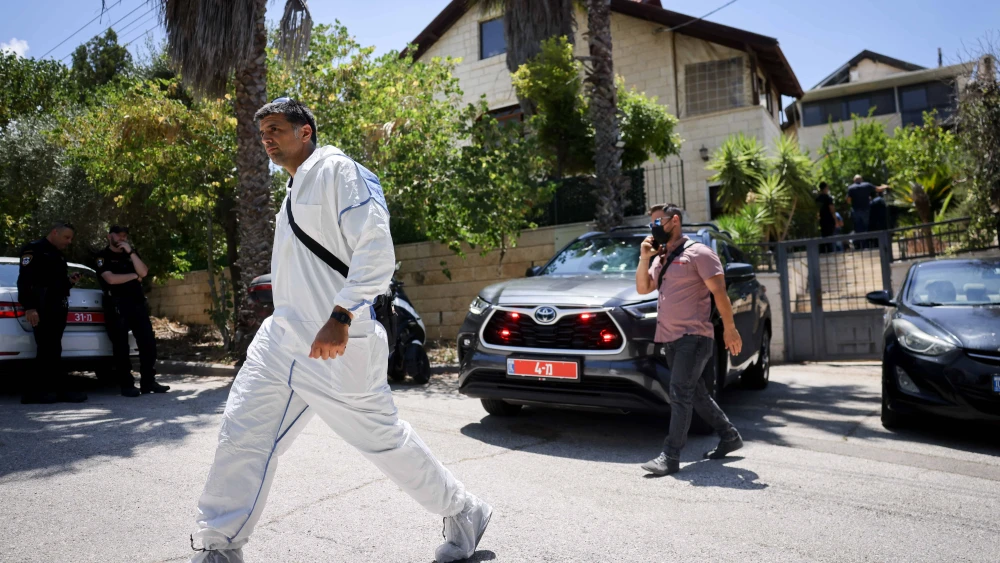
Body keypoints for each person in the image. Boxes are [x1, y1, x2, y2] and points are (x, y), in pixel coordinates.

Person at [188, 98, 491, 563]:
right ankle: (219, 545)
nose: (267, 140)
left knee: (384, 442)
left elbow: (376, 248)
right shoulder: (293, 188)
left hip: (337, 342)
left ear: (305, 131)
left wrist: (342, 315)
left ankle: (464, 509)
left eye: (275, 129)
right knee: (241, 435)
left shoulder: (338, 171)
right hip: (280, 340)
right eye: (262, 133)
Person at [635, 204, 744, 476]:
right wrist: (644, 258)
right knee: (695, 393)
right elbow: (643, 288)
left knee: (680, 393)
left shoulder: (700, 253)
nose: (654, 228)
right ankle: (729, 436)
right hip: (670, 338)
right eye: (651, 224)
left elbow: (720, 293)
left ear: (675, 220)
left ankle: (670, 456)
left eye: (658, 222)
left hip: (693, 337)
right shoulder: (661, 258)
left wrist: (730, 329)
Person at [16, 222, 87, 404]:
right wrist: (30, 307)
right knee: (46, 349)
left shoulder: (58, 254)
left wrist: (70, 281)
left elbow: (56, 283)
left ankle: (54, 390)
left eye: (71, 238)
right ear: (54, 232)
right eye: (66, 237)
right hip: (42, 307)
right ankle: (34, 393)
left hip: (57, 306)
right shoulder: (34, 249)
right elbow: (24, 281)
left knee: (54, 349)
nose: (69, 241)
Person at [95, 226, 170, 397]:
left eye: (124, 235)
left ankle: (148, 381)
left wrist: (131, 252)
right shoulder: (102, 256)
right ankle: (127, 384)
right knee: (121, 346)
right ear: (109, 236)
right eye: (118, 235)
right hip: (116, 304)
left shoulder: (131, 254)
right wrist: (134, 276)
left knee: (148, 343)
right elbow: (110, 279)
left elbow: (143, 271)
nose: (122, 238)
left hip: (136, 303)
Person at [816, 182, 836, 253]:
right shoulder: (828, 198)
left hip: (822, 220)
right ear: (825, 188)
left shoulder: (818, 198)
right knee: (830, 237)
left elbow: (816, 210)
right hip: (829, 220)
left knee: (823, 236)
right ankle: (830, 252)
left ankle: (823, 252)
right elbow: (832, 209)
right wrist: (835, 219)